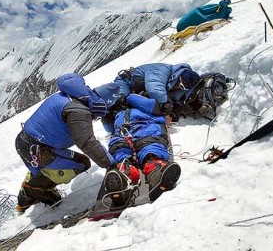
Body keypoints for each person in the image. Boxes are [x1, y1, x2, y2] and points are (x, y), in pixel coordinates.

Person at [14, 73, 121, 213]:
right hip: (41, 150)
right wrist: (111, 165)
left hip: (28, 143)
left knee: (42, 167)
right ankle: (36, 189)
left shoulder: (72, 96)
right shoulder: (79, 111)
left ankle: (25, 198)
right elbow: (86, 141)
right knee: (81, 163)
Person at [101, 93, 181, 207]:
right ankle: (123, 179)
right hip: (122, 133)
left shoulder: (147, 104)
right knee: (120, 151)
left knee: (149, 148)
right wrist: (109, 112)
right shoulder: (118, 112)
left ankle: (155, 173)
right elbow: (109, 127)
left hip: (145, 127)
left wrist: (128, 97)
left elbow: (151, 105)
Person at [113, 63, 200, 121]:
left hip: (140, 90)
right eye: (181, 85)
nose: (179, 87)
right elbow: (154, 89)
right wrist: (166, 110)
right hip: (125, 83)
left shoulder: (176, 80)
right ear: (179, 76)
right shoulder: (160, 70)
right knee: (121, 104)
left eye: (183, 87)